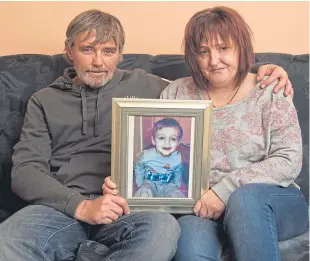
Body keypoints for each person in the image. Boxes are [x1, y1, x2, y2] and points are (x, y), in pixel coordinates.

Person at [0, 8, 296, 261]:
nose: (99, 62)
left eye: (109, 51)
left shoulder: (149, 86)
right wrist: (81, 206)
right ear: (69, 52)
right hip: (61, 206)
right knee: (8, 239)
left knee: (164, 231)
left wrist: (264, 69)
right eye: (87, 49)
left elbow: (219, 73)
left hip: (127, 209)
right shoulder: (44, 100)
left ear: (120, 55)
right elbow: (25, 171)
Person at [104, 6, 308, 261]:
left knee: (245, 200)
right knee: (190, 248)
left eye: (224, 48)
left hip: (271, 202)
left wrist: (224, 190)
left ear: (241, 48)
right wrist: (124, 181)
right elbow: (157, 153)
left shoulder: (270, 89)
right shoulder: (177, 93)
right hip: (199, 209)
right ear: (193, 56)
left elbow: (289, 160)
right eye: (203, 51)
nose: (214, 60)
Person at [134, 118, 185, 198]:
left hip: (169, 185)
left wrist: (177, 184)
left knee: (177, 195)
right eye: (161, 138)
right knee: (144, 192)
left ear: (178, 142)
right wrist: (139, 183)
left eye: (173, 139)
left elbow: (178, 170)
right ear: (153, 140)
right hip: (149, 183)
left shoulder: (177, 157)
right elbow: (139, 166)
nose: (167, 143)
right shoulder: (146, 155)